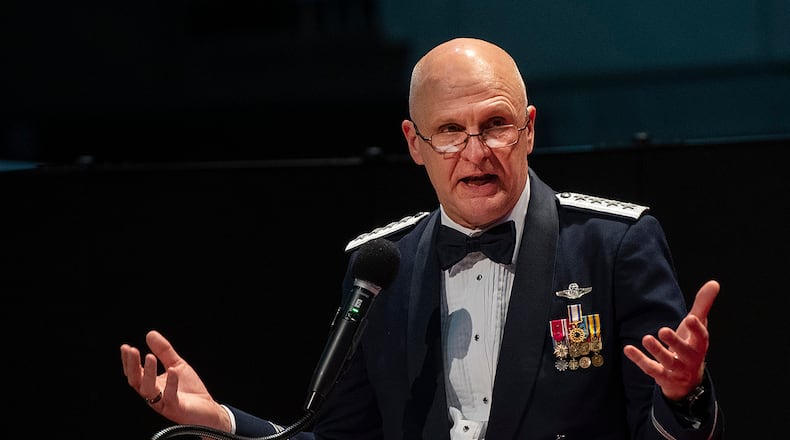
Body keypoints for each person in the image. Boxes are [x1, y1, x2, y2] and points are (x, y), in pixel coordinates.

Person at [121, 37, 724, 439]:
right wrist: (222, 421)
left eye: (495, 125)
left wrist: (684, 395)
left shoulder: (613, 245)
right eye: (450, 131)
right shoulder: (379, 265)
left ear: (530, 129)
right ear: (414, 143)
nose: (476, 152)